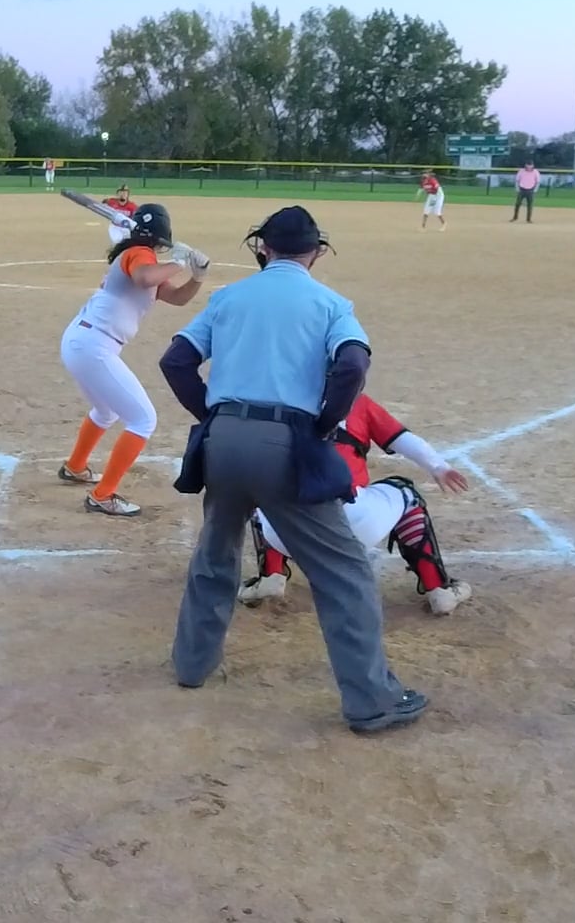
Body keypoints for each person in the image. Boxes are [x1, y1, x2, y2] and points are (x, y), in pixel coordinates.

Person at [158, 205, 428, 735]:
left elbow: (175, 361)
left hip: (222, 440)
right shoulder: (331, 304)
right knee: (344, 572)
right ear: (317, 252)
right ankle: (371, 699)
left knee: (215, 553)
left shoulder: (228, 297)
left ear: (263, 247)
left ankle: (191, 664)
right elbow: (352, 364)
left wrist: (213, 415)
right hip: (286, 441)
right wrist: (324, 424)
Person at [238, 392, 474, 615]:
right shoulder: (355, 401)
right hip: (354, 524)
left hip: (285, 534)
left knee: (264, 490)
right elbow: (403, 439)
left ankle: (270, 577)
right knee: (406, 493)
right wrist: (439, 467)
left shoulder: (277, 401)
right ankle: (439, 589)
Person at [59, 203, 209, 517]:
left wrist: (196, 277)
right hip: (93, 345)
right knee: (144, 420)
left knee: (106, 411)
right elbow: (144, 278)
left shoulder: (140, 257)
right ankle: (102, 495)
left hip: (83, 342)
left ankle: (75, 466)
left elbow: (177, 298)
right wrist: (179, 261)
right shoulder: (139, 254)